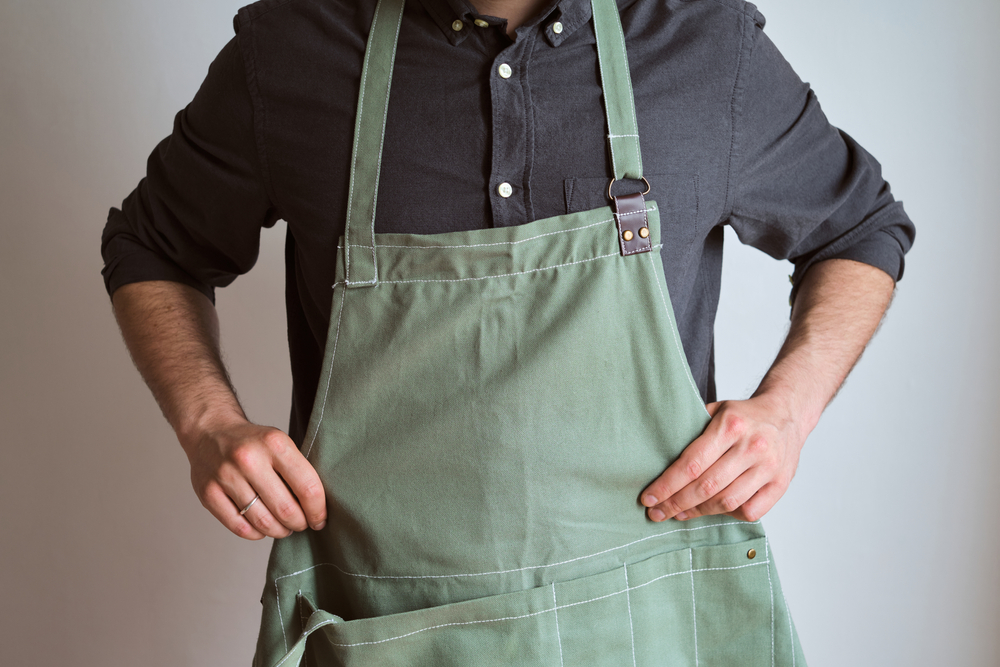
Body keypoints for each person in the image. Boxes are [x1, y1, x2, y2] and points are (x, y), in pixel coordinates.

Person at [102, 0, 914, 663]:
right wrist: (206, 420)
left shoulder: (704, 44)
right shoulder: (292, 49)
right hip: (386, 628)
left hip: (656, 629)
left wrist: (789, 410)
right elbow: (155, 245)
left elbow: (858, 226)